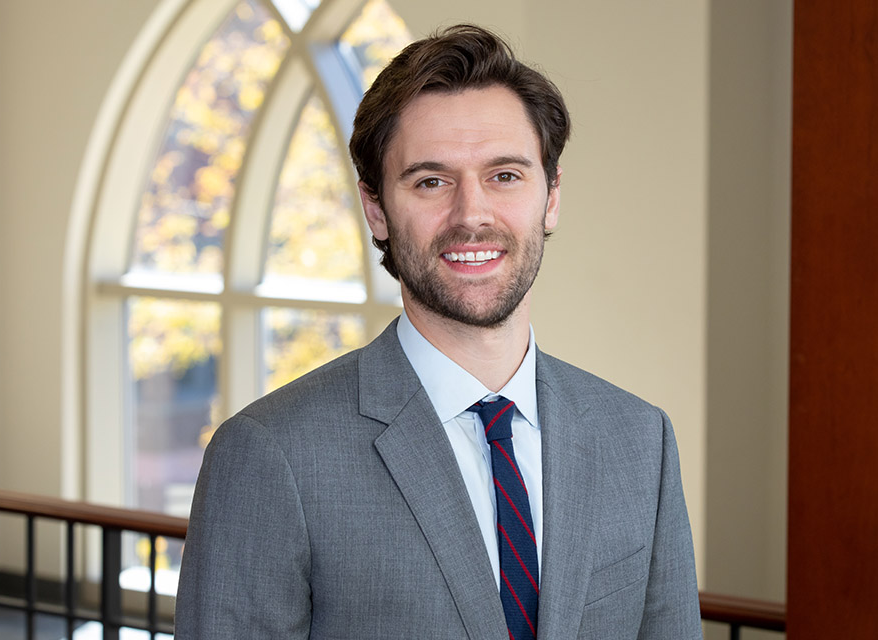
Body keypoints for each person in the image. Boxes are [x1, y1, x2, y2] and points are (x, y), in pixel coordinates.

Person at [175, 24, 702, 639]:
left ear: (551, 195)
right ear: (377, 210)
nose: (471, 213)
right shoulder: (272, 457)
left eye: (505, 175)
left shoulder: (639, 441)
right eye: (431, 181)